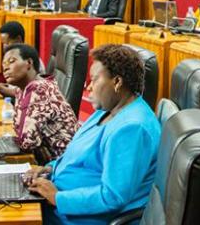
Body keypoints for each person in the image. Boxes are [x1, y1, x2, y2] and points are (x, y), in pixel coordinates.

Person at [24, 44, 161, 224]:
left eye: (94, 79)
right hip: (59, 202)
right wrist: (49, 168)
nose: (88, 87)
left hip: (79, 217)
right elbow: (78, 157)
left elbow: (112, 197)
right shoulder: (106, 110)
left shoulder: (132, 128)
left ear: (117, 82)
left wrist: (57, 197)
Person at [0, 44, 77, 164]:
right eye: (3, 64)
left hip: (62, 164)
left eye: (11, 61)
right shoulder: (25, 88)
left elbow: (27, 142)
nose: (5, 68)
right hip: (50, 160)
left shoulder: (38, 90)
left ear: (29, 63)